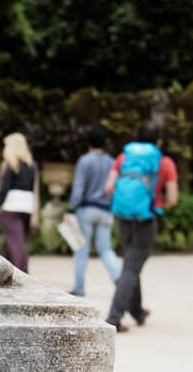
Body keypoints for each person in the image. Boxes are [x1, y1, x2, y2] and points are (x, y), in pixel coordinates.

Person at [104, 121, 178, 331]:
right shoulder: (164, 163)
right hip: (146, 220)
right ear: (159, 141)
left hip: (122, 217)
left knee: (131, 262)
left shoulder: (123, 158)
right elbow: (172, 198)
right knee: (131, 268)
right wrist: (156, 199)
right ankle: (113, 318)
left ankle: (137, 312)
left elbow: (109, 187)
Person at [66, 126, 122, 297]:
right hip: (106, 210)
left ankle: (79, 287)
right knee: (106, 250)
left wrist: (70, 209)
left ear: (88, 142)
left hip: (87, 209)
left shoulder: (85, 161)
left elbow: (78, 189)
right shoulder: (112, 162)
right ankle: (119, 279)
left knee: (82, 250)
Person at [0, 133, 40, 273]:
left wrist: (0, 205)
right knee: (15, 240)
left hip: (11, 206)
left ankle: (21, 271)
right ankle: (9, 271)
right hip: (26, 207)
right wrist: (35, 213)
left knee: (16, 244)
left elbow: (4, 189)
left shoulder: (10, 165)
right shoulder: (32, 166)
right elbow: (35, 190)